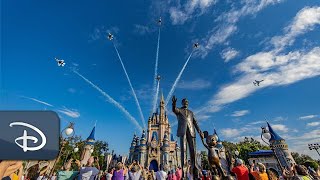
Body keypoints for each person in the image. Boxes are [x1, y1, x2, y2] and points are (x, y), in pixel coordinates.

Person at [172, 96, 204, 179]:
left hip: (191, 132)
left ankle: (195, 172)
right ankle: (184, 174)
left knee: (193, 152)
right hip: (183, 132)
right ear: (182, 103)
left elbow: (195, 122)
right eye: (184, 101)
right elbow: (174, 109)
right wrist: (174, 103)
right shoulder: (179, 110)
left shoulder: (191, 112)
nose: (186, 102)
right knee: (183, 151)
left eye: (187, 101)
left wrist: (200, 131)